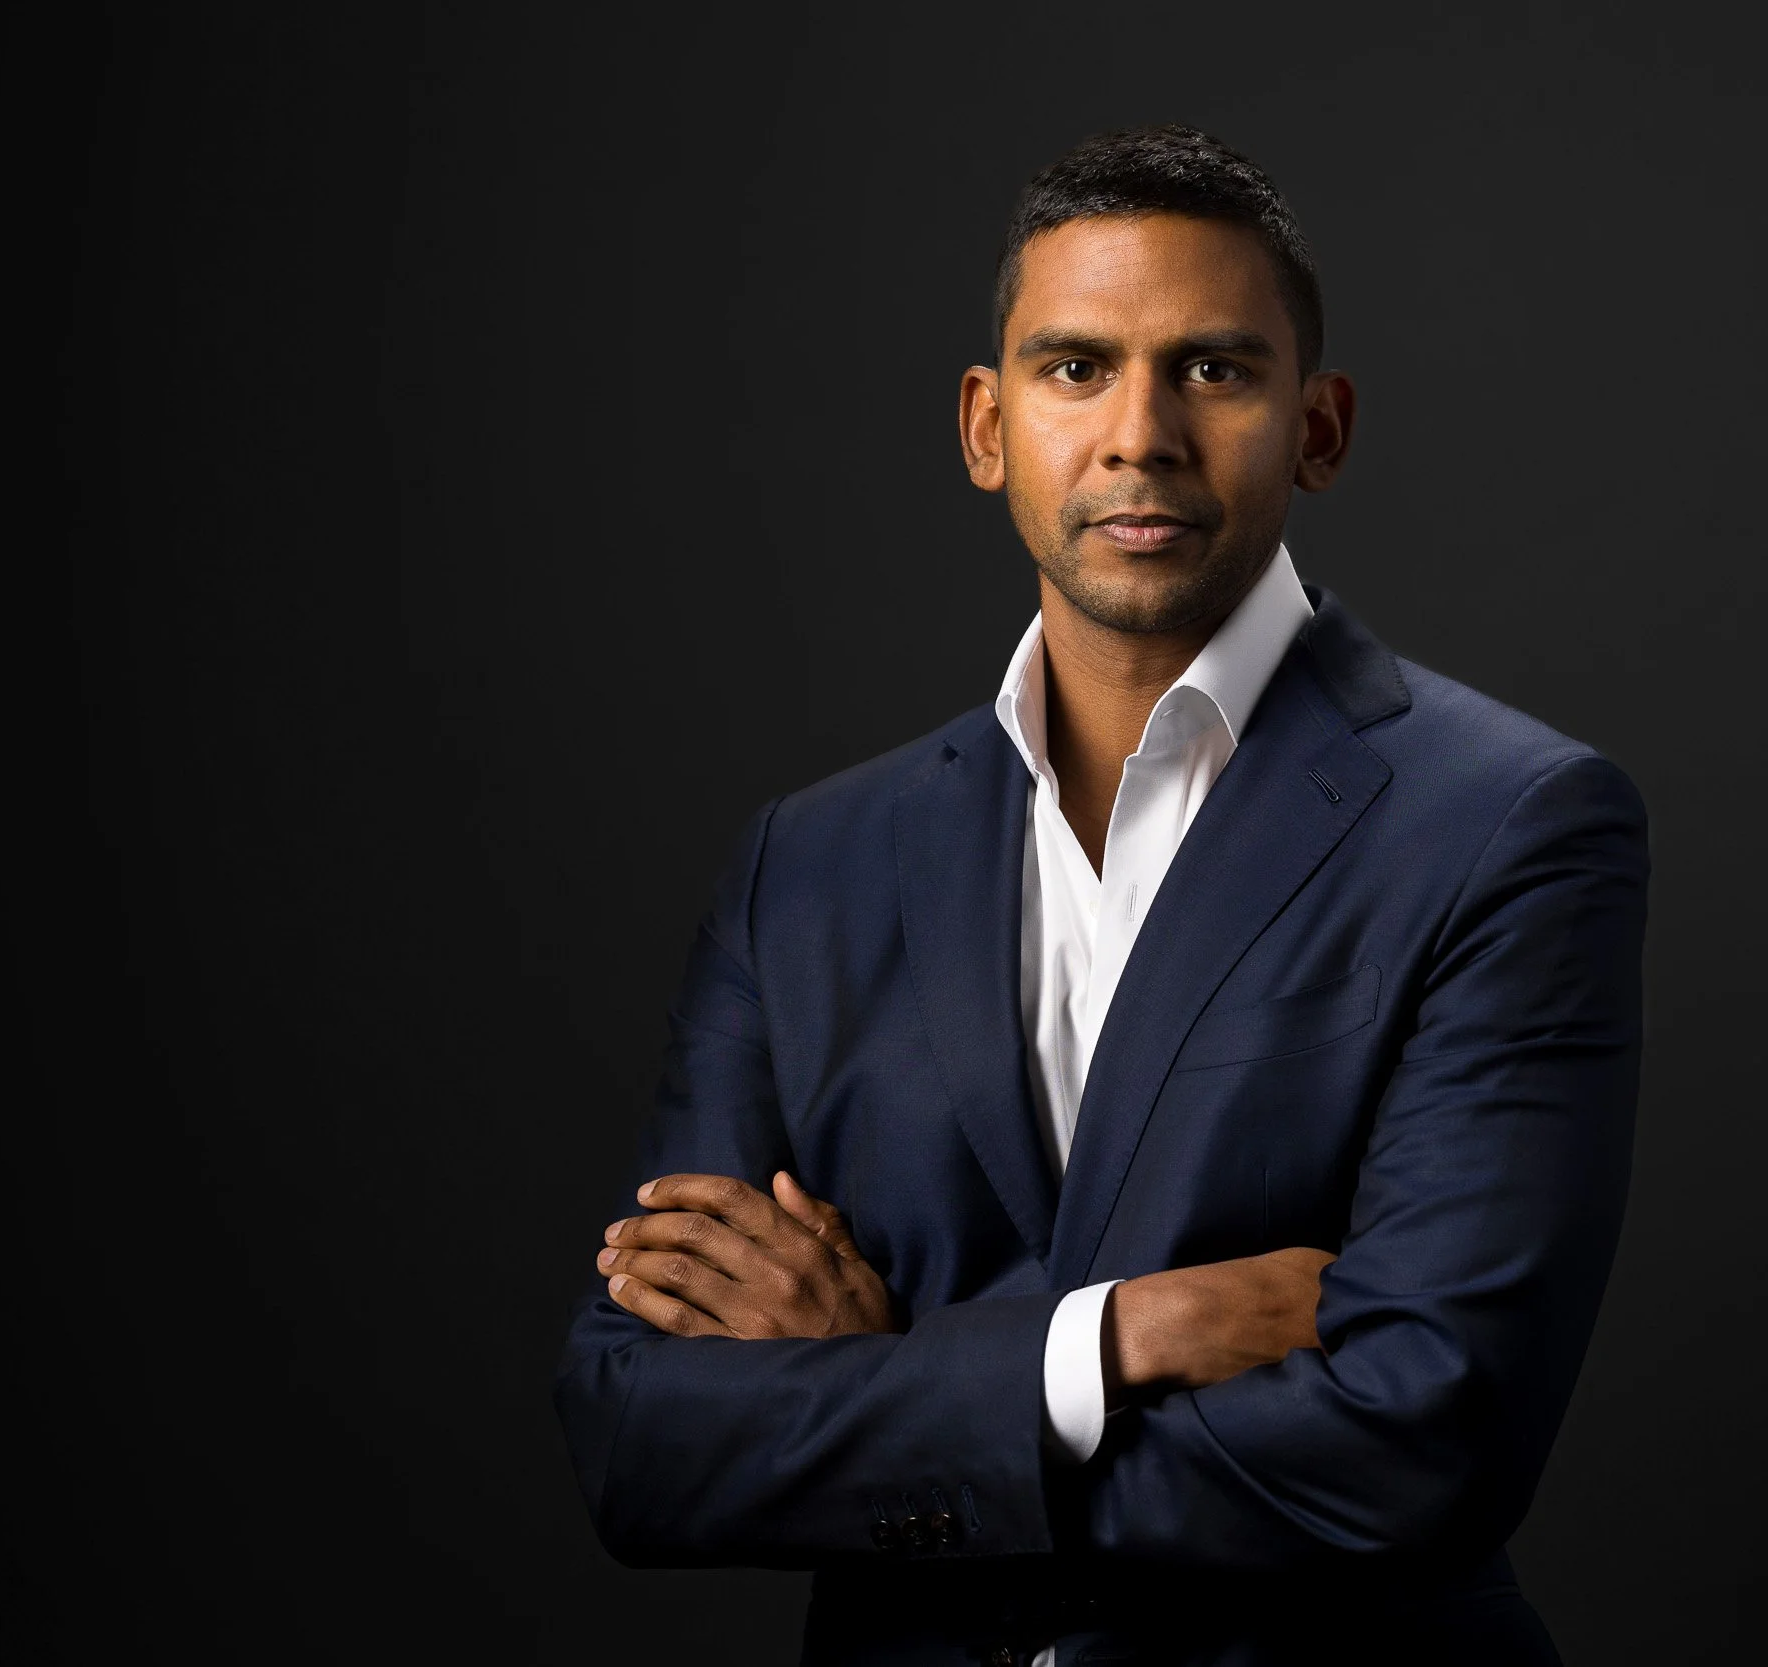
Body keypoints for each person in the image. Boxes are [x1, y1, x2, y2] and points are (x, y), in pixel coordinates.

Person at [555, 124, 1649, 1666]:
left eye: (1213, 369)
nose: (1140, 433)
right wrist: (1104, 1346)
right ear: (984, 425)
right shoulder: (806, 865)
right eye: (1076, 368)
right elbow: (641, 1436)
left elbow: (1427, 1437)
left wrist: (890, 1390)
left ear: (1318, 426)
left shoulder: (1512, 823)